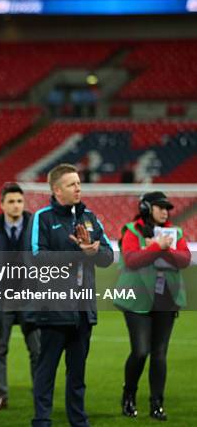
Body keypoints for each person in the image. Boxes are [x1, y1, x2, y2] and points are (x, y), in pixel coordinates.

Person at [27, 163, 113, 427]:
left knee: (77, 374)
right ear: (57, 190)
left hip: (84, 310)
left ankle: (79, 420)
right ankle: (42, 420)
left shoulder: (90, 216)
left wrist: (92, 251)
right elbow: (36, 258)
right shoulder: (43, 218)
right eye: (72, 184)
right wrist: (78, 254)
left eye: (78, 183)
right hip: (53, 310)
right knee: (46, 372)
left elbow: (108, 257)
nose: (78, 187)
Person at [114, 191, 191, 421]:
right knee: (140, 351)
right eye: (160, 207)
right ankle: (129, 395)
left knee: (159, 354)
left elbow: (184, 259)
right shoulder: (131, 230)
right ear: (147, 208)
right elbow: (132, 260)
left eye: (167, 208)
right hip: (136, 298)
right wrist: (156, 247)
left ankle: (156, 404)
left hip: (166, 299)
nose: (165, 211)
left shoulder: (174, 232)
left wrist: (162, 248)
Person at [0, 183, 39, 411]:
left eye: (19, 201)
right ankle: (0, 396)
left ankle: (40, 393)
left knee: (37, 351)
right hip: (1, 300)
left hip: (30, 299)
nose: (16, 206)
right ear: (2, 204)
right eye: (11, 201)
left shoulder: (35, 226)